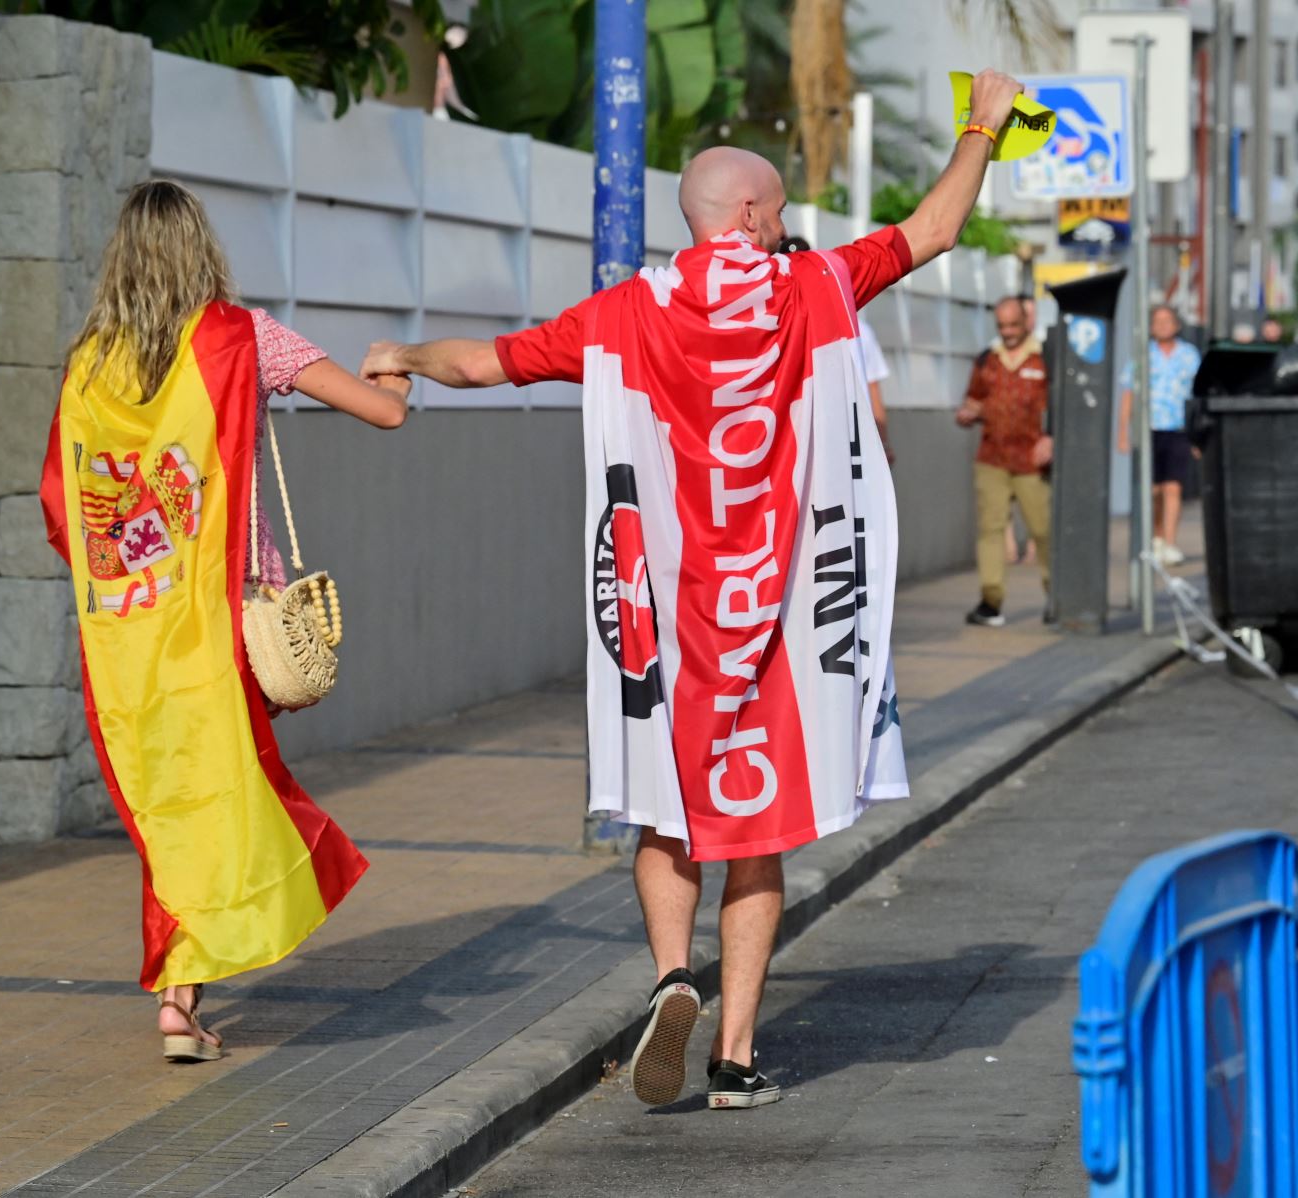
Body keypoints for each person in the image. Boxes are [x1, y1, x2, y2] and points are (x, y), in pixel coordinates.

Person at [358, 69, 1027, 1111]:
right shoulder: (813, 287)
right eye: (783, 210)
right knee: (754, 836)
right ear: (755, 216)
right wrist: (983, 121)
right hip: (783, 624)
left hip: (672, 626)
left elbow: (487, 362)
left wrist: (401, 352)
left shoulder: (629, 311)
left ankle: (674, 975)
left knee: (668, 817)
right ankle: (736, 1055)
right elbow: (934, 229)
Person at [38, 180, 412, 1063]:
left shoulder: (89, 363)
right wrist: (393, 369)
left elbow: (63, 502)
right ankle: (180, 993)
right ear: (202, 248)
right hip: (226, 622)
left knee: (175, 797)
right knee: (220, 790)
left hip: (133, 628)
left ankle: (182, 992)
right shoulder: (244, 339)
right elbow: (385, 411)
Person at [957, 295, 1053, 627]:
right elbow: (974, 398)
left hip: (1032, 460)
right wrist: (969, 412)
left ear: (1026, 321)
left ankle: (1056, 597)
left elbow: (1058, 406)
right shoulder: (988, 359)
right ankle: (990, 600)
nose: (1008, 332)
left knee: (1043, 530)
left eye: (1014, 324)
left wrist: (1051, 437)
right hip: (993, 457)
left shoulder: (1045, 359)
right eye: (1002, 326)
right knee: (991, 530)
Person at [778, 235, 894, 462]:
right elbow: (873, 391)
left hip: (842, 437)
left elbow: (872, 390)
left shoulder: (860, 329)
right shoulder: (858, 327)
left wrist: (883, 442)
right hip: (833, 440)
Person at [1117, 303, 1202, 566]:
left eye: (1168, 321)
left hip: (1178, 428)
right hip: (1149, 428)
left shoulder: (1189, 355)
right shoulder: (1143, 355)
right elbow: (1129, 393)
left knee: (1173, 487)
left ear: (1176, 325)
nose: (1163, 326)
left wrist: (1198, 435)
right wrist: (1123, 430)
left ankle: (1170, 541)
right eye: (1158, 321)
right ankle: (1157, 535)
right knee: (1153, 489)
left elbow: (1198, 395)